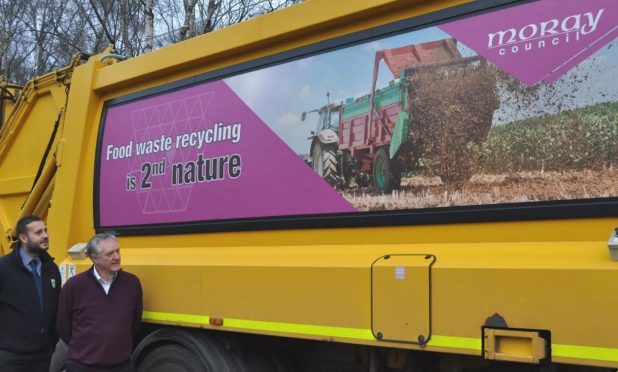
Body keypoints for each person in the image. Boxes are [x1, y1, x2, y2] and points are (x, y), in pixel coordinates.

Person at [57, 233, 143, 372]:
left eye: (117, 251)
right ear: (94, 258)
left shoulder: (132, 283)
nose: (117, 257)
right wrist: (85, 351)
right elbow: (63, 326)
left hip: (121, 367)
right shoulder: (74, 286)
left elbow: (135, 322)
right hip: (82, 367)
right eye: (109, 254)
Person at [0, 215, 61, 372]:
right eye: (38, 232)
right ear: (23, 238)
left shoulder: (52, 269)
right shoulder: (3, 268)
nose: (45, 235)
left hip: (44, 355)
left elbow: (56, 309)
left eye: (45, 230)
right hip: (10, 357)